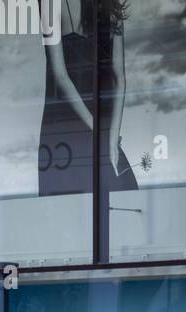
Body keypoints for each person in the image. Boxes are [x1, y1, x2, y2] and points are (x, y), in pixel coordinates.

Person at [40, 0, 136, 257]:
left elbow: (119, 75)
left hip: (89, 125)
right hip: (67, 127)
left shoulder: (111, 9)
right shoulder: (51, 6)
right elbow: (61, 76)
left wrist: (111, 136)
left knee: (122, 197)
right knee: (68, 221)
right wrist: (104, 134)